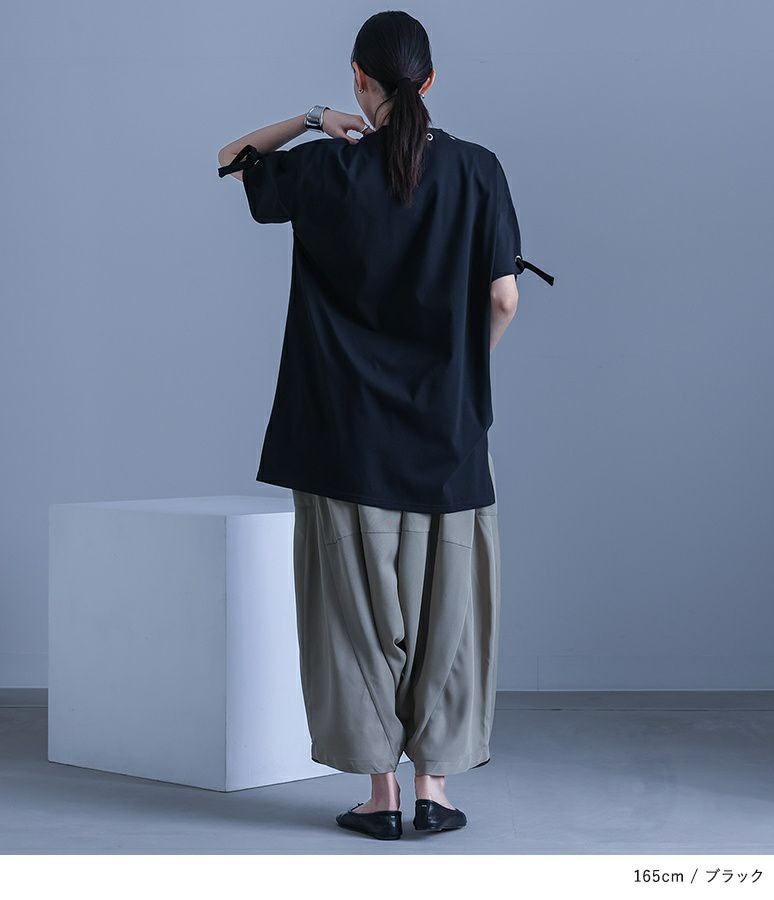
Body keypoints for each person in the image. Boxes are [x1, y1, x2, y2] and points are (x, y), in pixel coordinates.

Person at [217, 10, 553, 841]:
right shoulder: (478, 170)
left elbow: (230, 159)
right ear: (430, 82)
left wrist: (312, 118)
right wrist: (465, 371)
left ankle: (382, 797)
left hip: (343, 439)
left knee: (357, 617)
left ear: (360, 79)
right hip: (449, 437)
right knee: (448, 615)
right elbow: (504, 296)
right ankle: (435, 788)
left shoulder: (326, 168)